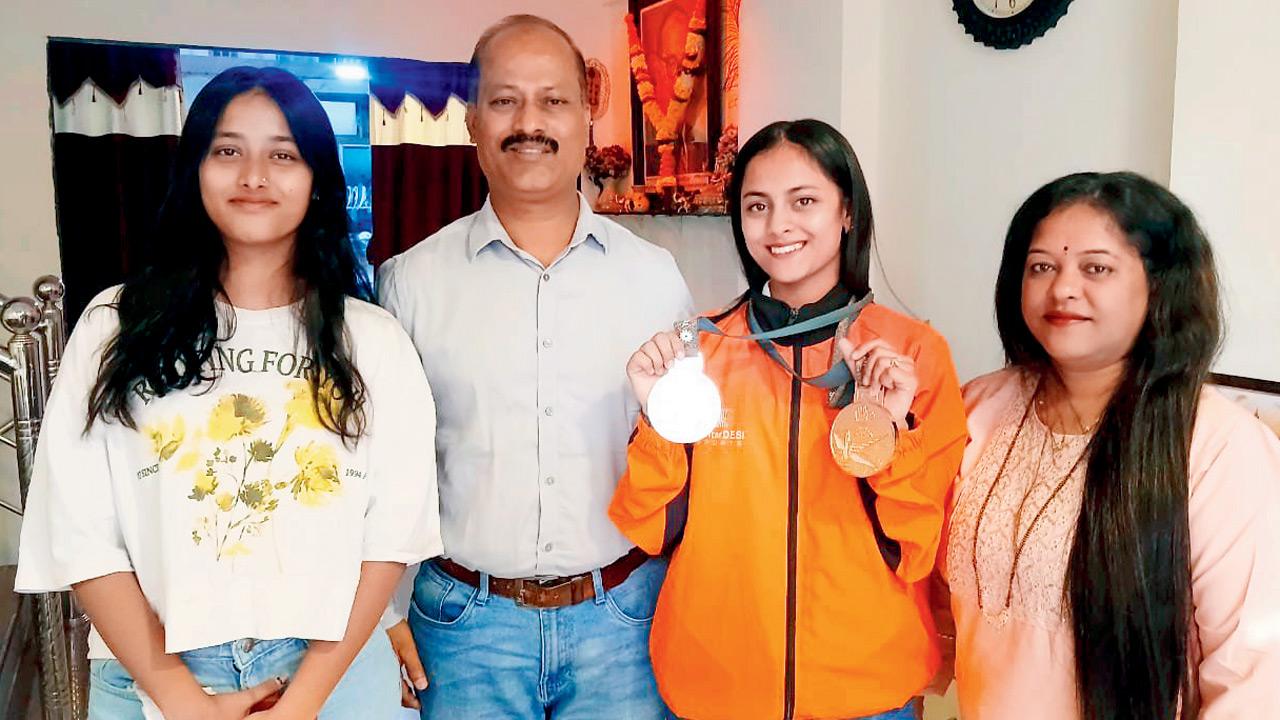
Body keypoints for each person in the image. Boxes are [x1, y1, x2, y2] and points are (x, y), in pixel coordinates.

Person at [15, 66, 442, 719]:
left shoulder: (373, 340)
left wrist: (303, 703)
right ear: (194, 169)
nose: (254, 176)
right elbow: (80, 534)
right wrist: (184, 701)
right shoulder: (115, 324)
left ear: (319, 181)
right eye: (227, 150)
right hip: (151, 677)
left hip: (333, 677)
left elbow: (390, 539)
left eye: (283, 155)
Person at [377, 14, 694, 719]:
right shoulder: (409, 283)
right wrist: (386, 616)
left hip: (625, 620)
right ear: (471, 123)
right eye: (504, 100)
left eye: (553, 100)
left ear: (587, 117)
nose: (530, 122)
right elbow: (385, 470)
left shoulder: (656, 281)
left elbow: (684, 456)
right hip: (465, 629)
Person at [609, 119, 967, 720]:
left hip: (867, 692)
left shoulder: (911, 356)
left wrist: (887, 428)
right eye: (757, 206)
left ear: (847, 212)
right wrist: (658, 417)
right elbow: (652, 529)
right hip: (715, 685)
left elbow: (917, 547)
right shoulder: (703, 351)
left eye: (804, 201)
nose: (778, 226)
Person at [940, 171, 1280, 718]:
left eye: (1095, 268)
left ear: (1159, 285)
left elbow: (1254, 673)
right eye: (1041, 266)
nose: (1062, 288)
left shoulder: (1219, 445)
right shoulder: (981, 406)